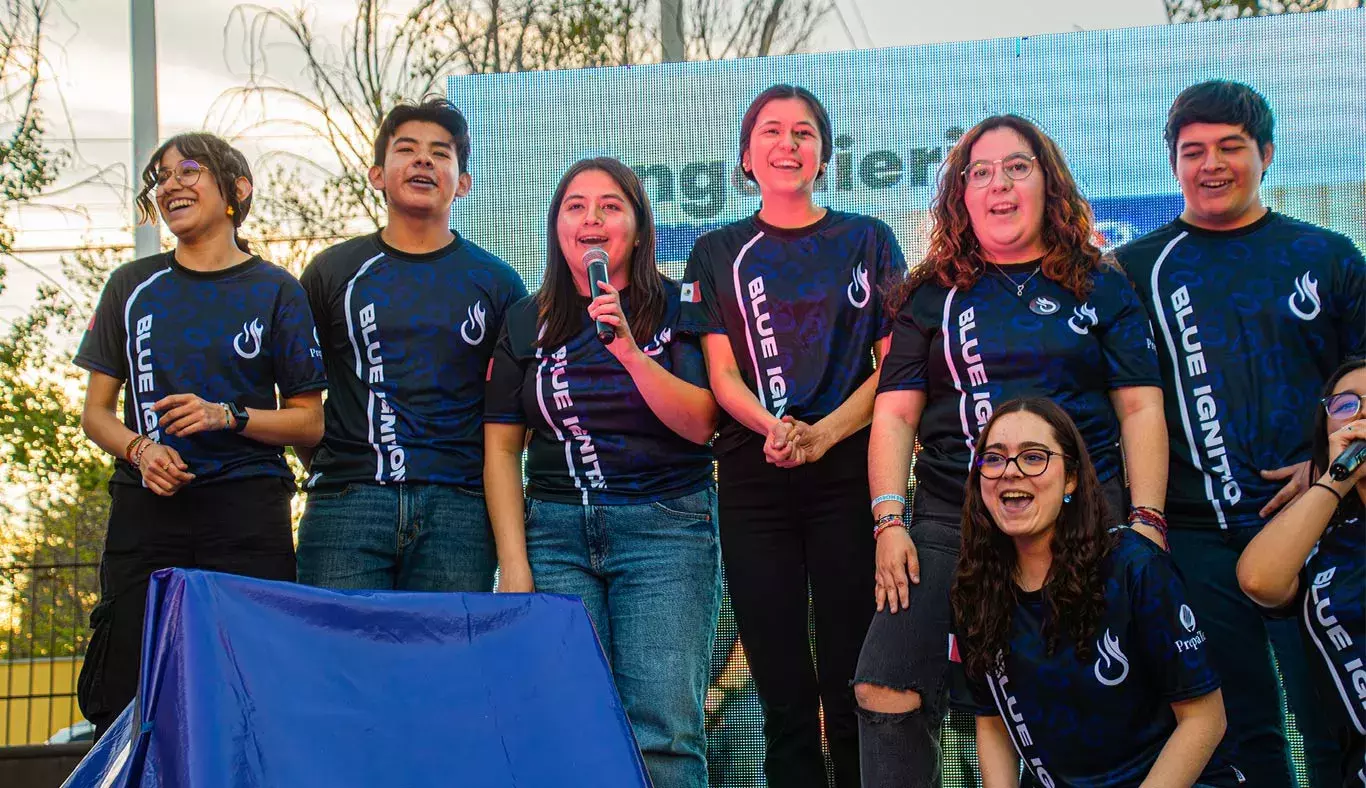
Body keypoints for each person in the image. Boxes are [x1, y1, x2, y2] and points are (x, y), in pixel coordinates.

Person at [856, 114, 1167, 787]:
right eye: (982, 172)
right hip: (947, 517)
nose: (1000, 184)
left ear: (1047, 184)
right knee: (885, 684)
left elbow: (1140, 406)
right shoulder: (929, 293)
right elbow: (894, 414)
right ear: (962, 196)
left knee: (1068, 693)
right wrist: (889, 521)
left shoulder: (1099, 282)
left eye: (1017, 167)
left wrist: (1146, 521)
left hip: (1081, 518)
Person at [1114, 79, 1363, 786]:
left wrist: (1327, 474)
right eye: (1194, 151)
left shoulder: (1328, 255)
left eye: (1231, 147)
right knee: (1241, 735)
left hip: (1322, 531)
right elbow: (1120, 403)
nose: (1212, 164)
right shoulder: (1133, 271)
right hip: (1196, 538)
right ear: (1173, 165)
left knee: (1333, 725)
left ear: (1267, 154)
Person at [677, 84, 907, 788]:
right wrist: (775, 428)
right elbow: (718, 373)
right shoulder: (717, 251)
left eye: (803, 132)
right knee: (782, 693)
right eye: (771, 132)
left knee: (849, 683)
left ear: (824, 154)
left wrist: (826, 433)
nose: (788, 144)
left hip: (846, 479)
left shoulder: (868, 240)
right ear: (747, 157)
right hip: (753, 482)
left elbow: (896, 369)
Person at [73, 133, 325, 738]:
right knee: (127, 693)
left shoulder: (276, 290)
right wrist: (140, 449)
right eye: (161, 177)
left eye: (190, 169)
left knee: (253, 691)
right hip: (146, 511)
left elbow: (308, 422)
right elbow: (97, 414)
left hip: (247, 513)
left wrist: (227, 416)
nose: (171, 185)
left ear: (237, 190)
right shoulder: (130, 286)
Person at [483, 157, 721, 788]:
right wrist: (515, 563)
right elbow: (503, 449)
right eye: (575, 206)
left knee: (662, 734)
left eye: (610, 206)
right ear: (557, 229)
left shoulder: (678, 306)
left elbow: (702, 422)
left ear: (638, 229)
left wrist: (626, 349)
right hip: (555, 534)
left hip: (664, 532)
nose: (592, 218)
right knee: (566, 724)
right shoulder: (524, 320)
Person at [296, 97, 527, 591]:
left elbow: (511, 420)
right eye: (407, 149)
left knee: (443, 667)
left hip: (460, 510)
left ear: (462, 184)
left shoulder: (499, 283)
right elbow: (298, 399)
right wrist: (342, 469)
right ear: (378, 174)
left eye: (441, 153)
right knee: (339, 663)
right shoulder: (330, 272)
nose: (424, 160)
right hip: (346, 504)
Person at [953, 398, 1242, 787]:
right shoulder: (975, 588)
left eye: (1034, 457)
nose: (1011, 472)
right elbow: (992, 724)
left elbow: (1205, 720)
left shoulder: (1135, 567)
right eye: (994, 459)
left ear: (1070, 478)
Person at [1239, 359, 1366, 786]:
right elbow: (1259, 581)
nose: (1363, 413)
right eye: (1348, 405)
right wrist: (1334, 479)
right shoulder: (1323, 534)